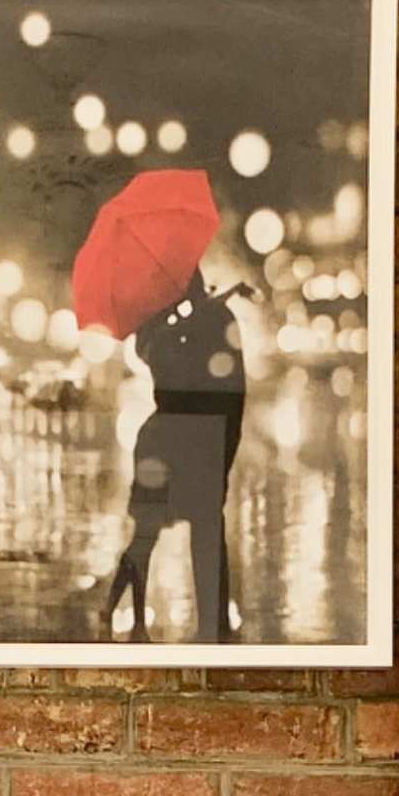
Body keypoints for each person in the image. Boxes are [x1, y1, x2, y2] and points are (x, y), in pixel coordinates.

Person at [103, 270, 248, 643]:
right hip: (197, 439)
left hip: (181, 439)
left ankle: (204, 624)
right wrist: (212, 302)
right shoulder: (187, 328)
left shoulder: (168, 333)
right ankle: (212, 626)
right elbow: (231, 387)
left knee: (159, 533)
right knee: (199, 532)